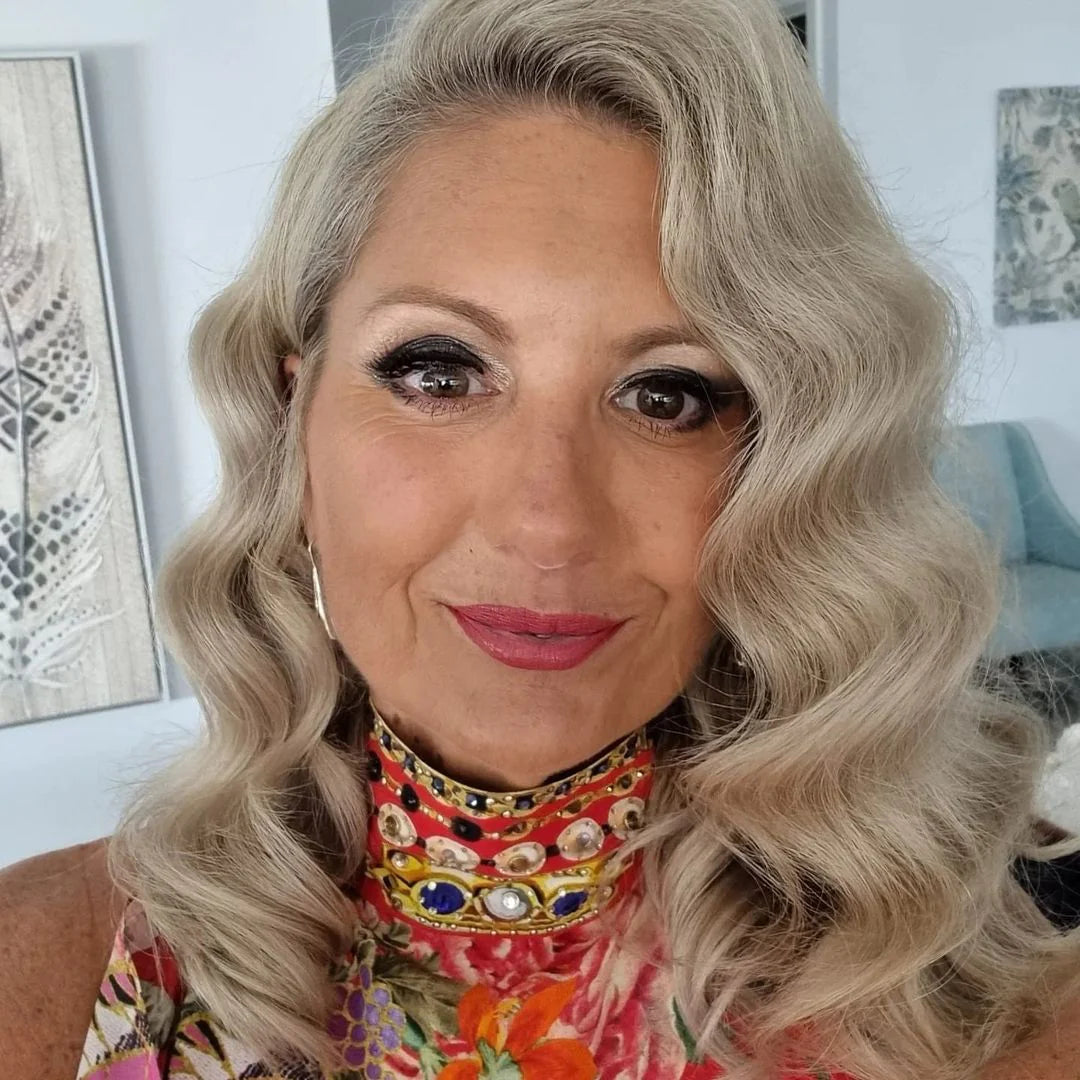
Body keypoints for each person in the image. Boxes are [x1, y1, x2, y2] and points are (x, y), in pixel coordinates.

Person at [3, 0, 1080, 1077]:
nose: (549, 523)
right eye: (439, 373)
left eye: (667, 395)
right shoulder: (49, 965)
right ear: (295, 425)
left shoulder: (978, 988)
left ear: (785, 466)